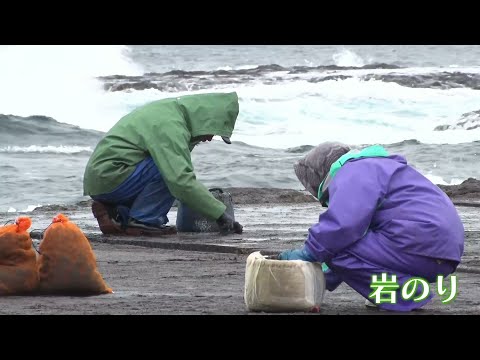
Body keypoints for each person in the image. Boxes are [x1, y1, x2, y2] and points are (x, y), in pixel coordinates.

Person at [278, 142, 464, 312]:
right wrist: (320, 276)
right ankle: (393, 289)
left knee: (333, 246)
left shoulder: (352, 172)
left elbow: (341, 229)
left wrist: (307, 254)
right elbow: (358, 242)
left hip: (420, 244)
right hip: (444, 255)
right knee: (341, 245)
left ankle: (403, 293)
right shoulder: (378, 166)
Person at [83, 92, 243, 236]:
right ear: (205, 120)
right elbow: (180, 180)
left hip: (104, 179)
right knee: (169, 170)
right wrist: (220, 215)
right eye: (212, 131)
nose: (209, 138)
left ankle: (116, 213)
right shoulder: (171, 126)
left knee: (167, 168)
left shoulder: (170, 112)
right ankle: (143, 221)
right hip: (113, 176)